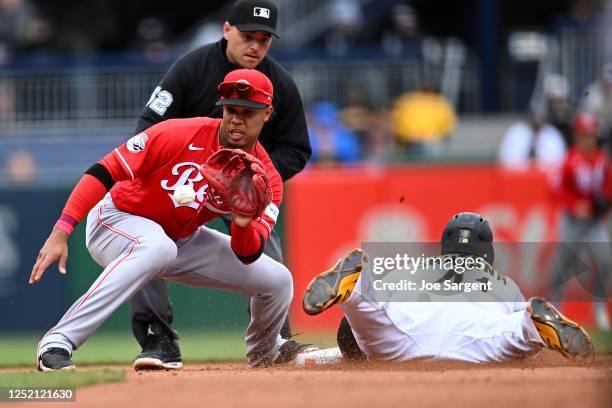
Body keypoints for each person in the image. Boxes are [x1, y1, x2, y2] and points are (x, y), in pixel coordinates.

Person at [31, 69, 316, 371]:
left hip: (179, 238)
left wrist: (243, 224)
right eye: (231, 109)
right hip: (117, 220)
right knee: (158, 247)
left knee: (279, 280)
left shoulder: (267, 179)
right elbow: (104, 170)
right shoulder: (180, 133)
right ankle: (57, 342)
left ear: (267, 114)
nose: (236, 118)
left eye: (248, 112)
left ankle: (265, 350)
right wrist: (61, 230)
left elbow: (248, 254)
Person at [131, 0, 311, 370]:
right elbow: (149, 124)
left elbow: (297, 149)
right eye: (248, 36)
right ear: (227, 29)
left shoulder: (280, 85)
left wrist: (251, 175)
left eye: (264, 39)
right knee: (146, 242)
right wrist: (175, 170)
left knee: (263, 242)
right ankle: (158, 340)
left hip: (240, 186)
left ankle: (274, 339)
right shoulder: (191, 68)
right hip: (181, 182)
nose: (255, 46)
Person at [303, 212, 594, 363]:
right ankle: (534, 324)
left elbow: (353, 329)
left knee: (372, 309)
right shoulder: (503, 282)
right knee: (519, 330)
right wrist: (528, 323)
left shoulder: (416, 267)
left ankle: (356, 287)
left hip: (406, 335)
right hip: (477, 339)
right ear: (487, 252)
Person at [551, 112, 611, 330]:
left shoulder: (601, 161)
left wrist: (603, 203)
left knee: (605, 260)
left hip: (593, 222)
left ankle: (600, 309)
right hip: (572, 221)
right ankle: (555, 309)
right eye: (584, 135)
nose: (588, 139)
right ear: (577, 136)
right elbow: (556, 189)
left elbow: (608, 188)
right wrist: (574, 205)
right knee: (563, 264)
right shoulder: (570, 160)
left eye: (591, 135)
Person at [499, 105, 566, 170]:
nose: (536, 118)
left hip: (545, 176)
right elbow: (506, 158)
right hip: (519, 177)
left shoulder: (552, 134)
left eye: (539, 115)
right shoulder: (516, 132)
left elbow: (560, 160)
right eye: (534, 114)